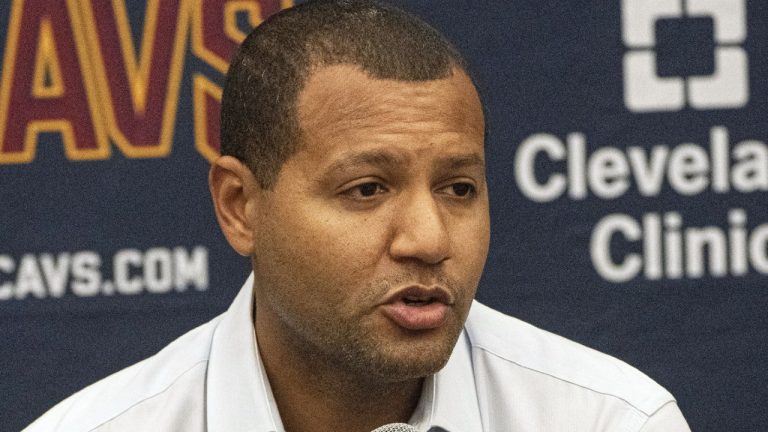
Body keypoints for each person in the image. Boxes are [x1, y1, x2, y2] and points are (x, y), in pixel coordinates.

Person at [25, 1, 691, 431]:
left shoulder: (610, 421)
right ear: (238, 207)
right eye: (367, 190)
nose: (429, 240)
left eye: (459, 189)